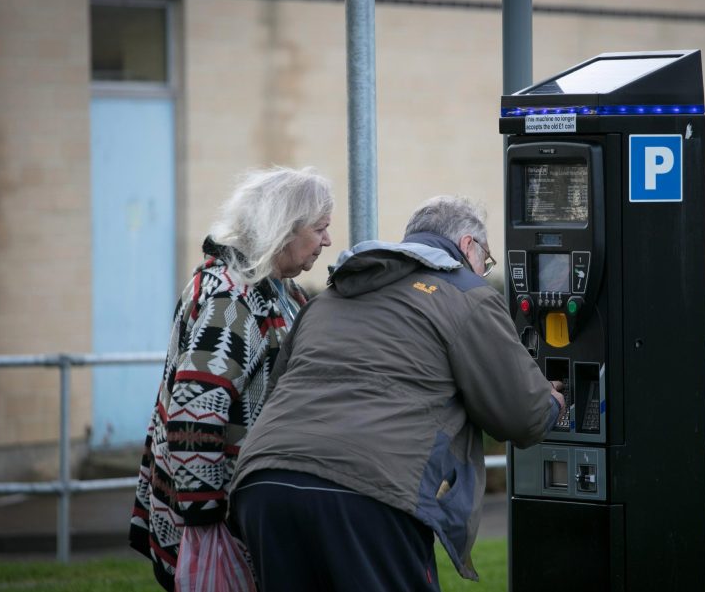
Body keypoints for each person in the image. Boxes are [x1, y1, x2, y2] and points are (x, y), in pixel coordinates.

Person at [230, 195, 565, 591]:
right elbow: (520, 415)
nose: (481, 271)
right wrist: (552, 402)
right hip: (368, 491)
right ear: (468, 247)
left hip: (264, 485)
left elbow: (278, 393)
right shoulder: (466, 295)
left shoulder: (329, 299)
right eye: (485, 260)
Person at [128, 165, 335, 591]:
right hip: (219, 520)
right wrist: (205, 524)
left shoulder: (279, 289)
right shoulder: (231, 297)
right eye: (319, 229)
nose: (327, 241)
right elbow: (193, 413)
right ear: (284, 228)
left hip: (244, 510)